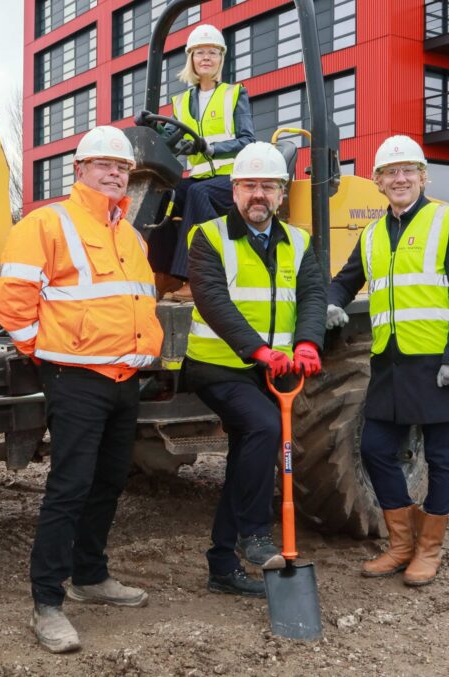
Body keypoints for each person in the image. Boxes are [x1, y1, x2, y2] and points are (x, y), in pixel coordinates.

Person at [0, 125, 163, 652]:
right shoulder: (47, 223)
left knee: (109, 481)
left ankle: (90, 577)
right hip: (76, 379)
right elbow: (13, 301)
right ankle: (47, 603)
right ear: (80, 169)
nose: (115, 174)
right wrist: (44, 351)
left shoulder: (130, 235)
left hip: (123, 378)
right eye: (104, 165)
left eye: (123, 169)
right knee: (69, 488)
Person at [325, 135, 449, 587]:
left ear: (422, 176)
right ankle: (400, 545)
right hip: (391, 364)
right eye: (390, 173)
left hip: (438, 365)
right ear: (377, 182)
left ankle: (428, 550)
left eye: (407, 171)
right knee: (375, 448)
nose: (399, 179)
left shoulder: (447, 221)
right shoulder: (373, 233)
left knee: (440, 455)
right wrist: (333, 302)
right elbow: (345, 279)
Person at [183, 142, 326, 597]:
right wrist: (257, 350)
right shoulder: (208, 236)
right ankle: (253, 533)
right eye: (249, 186)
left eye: (267, 186)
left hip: (273, 370)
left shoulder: (300, 241)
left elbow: (312, 296)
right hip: (218, 365)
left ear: (282, 194)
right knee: (265, 429)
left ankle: (222, 564)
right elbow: (213, 300)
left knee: (247, 457)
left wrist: (307, 342)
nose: (258, 195)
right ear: (234, 190)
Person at [143, 23, 256, 299]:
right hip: (200, 178)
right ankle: (164, 273)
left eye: (213, 52)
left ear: (220, 59)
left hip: (232, 180)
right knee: (162, 194)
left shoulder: (234, 94)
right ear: (191, 59)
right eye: (200, 53)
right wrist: (153, 126)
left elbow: (247, 140)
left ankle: (197, 277)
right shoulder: (182, 101)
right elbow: (172, 136)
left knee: (196, 192)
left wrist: (211, 148)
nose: (206, 57)